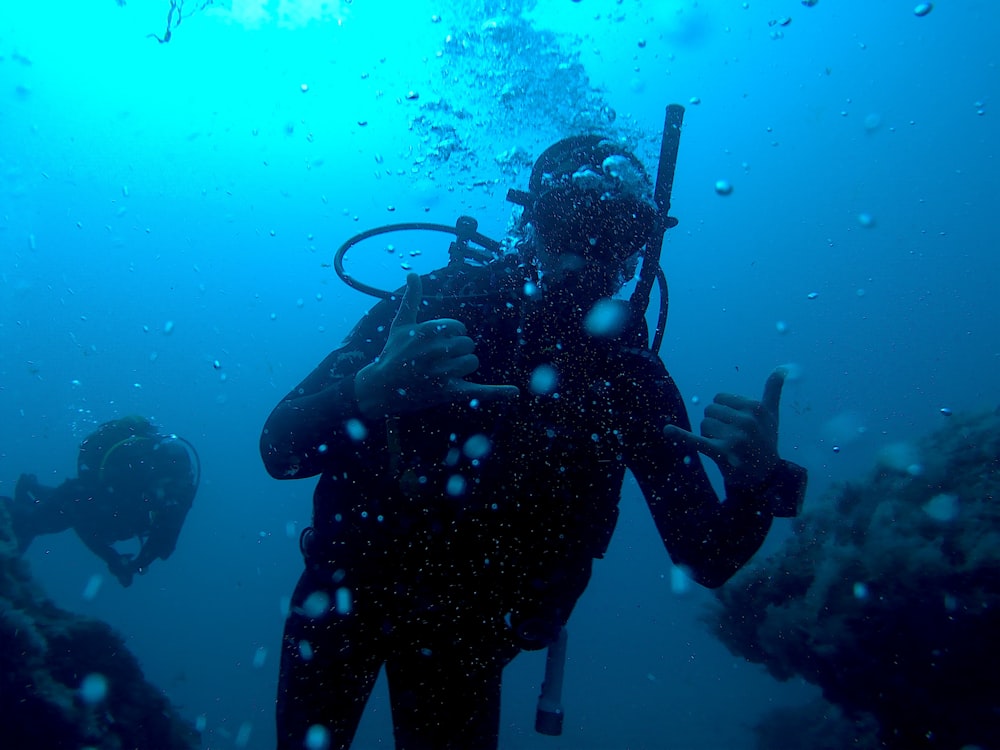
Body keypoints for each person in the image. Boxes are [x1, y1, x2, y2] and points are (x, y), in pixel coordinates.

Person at [260, 133, 807, 750]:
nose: (586, 251)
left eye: (614, 231)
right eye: (567, 220)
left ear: (638, 250)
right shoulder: (435, 307)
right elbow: (280, 450)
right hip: (343, 596)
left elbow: (706, 557)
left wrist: (755, 484)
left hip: (468, 638)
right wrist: (367, 391)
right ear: (533, 222)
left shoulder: (625, 374)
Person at [3, 416, 199, 587]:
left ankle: (32, 488)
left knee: (68, 512)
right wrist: (112, 559)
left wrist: (135, 564)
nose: (170, 496)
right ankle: (19, 502)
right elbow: (82, 519)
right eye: (168, 485)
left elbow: (164, 545)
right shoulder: (130, 479)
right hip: (78, 499)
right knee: (32, 524)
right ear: (156, 475)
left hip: (97, 505)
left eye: (178, 486)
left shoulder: (178, 495)